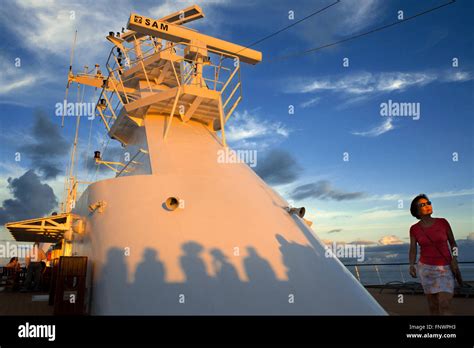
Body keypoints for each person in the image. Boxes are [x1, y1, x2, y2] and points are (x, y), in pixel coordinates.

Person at [408, 194, 460, 315]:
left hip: (445, 269)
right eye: (422, 205)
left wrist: (455, 258)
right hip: (425, 269)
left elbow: (453, 244)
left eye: (428, 203)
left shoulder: (443, 222)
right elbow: (413, 249)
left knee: (444, 304)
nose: (427, 206)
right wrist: (411, 265)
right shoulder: (414, 229)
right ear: (416, 211)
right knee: (433, 306)